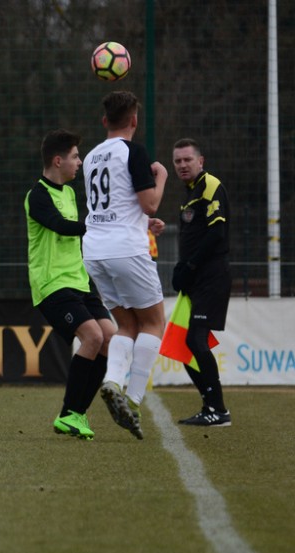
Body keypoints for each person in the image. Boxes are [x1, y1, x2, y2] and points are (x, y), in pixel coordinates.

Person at [82, 91, 168, 440]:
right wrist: (161, 177)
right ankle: (132, 399)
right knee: (154, 322)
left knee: (127, 324)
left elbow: (112, 204)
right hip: (126, 250)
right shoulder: (134, 152)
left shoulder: (90, 156)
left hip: (95, 250)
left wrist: (141, 223)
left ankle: (113, 381)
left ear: (105, 121)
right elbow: (150, 203)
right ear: (134, 120)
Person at [25, 129, 117, 441]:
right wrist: (100, 227)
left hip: (79, 281)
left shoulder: (69, 193)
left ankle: (76, 413)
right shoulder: (37, 195)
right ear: (57, 160)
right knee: (92, 336)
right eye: (75, 156)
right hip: (52, 284)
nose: (79, 162)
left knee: (110, 339)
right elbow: (60, 226)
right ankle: (68, 413)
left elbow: (78, 234)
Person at [170, 138, 232, 427]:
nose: (182, 165)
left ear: (200, 161)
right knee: (185, 345)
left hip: (211, 275)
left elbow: (216, 234)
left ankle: (218, 410)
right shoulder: (189, 193)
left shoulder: (210, 185)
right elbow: (192, 238)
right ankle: (211, 407)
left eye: (187, 160)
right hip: (196, 279)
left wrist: (191, 265)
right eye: (178, 161)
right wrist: (181, 267)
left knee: (195, 340)